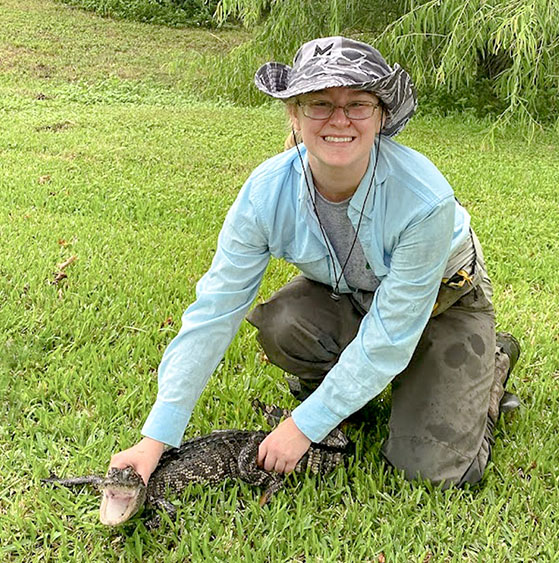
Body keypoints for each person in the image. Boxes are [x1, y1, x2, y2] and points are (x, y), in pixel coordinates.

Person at [110, 36, 520, 488]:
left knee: (432, 473)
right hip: (351, 295)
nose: (339, 120)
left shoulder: (424, 199)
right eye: (320, 103)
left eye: (358, 104)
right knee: (283, 322)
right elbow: (213, 312)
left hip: (445, 300)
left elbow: (389, 337)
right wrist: (156, 437)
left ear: (381, 115)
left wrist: (302, 427)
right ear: (295, 114)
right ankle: (349, 397)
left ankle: (492, 362)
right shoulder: (266, 193)